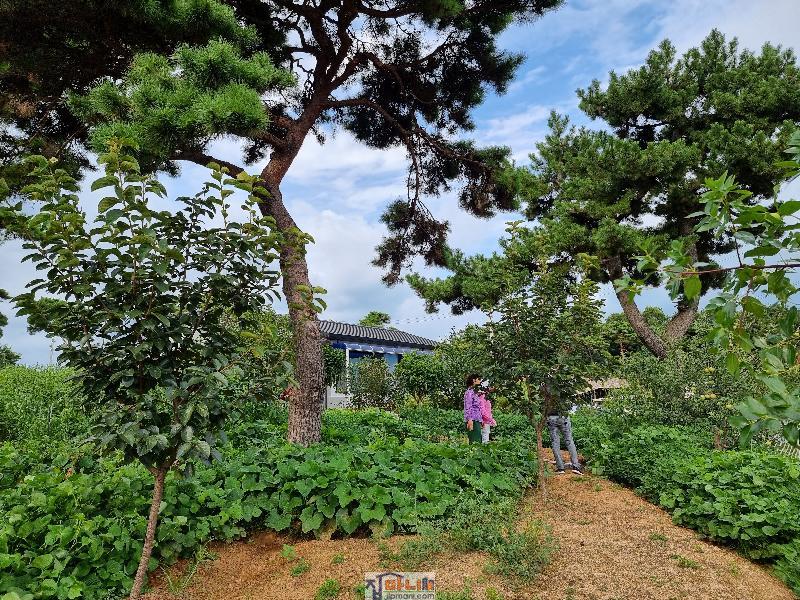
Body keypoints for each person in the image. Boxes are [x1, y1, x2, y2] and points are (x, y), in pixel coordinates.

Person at [544, 384, 583, 474]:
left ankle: (560, 468)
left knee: (555, 443)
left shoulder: (545, 387)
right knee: (569, 440)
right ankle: (575, 466)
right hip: (563, 416)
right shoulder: (563, 384)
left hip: (551, 417)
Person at [463, 374, 483, 444]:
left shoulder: (474, 392)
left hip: (477, 420)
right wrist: (470, 420)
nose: (480, 381)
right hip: (472, 420)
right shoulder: (469, 393)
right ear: (474, 380)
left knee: (478, 441)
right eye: (478, 379)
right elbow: (468, 407)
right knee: (475, 442)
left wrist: (481, 420)